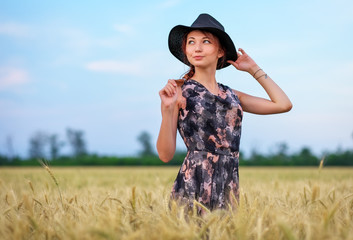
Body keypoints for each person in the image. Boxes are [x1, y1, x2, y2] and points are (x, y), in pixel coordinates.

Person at [156, 13, 292, 214]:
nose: (197, 48)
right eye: (191, 42)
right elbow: (165, 155)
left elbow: (283, 104)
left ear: (220, 51)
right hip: (193, 186)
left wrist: (253, 68)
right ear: (185, 50)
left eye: (206, 41)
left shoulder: (232, 96)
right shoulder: (178, 92)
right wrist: (168, 110)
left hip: (228, 187)